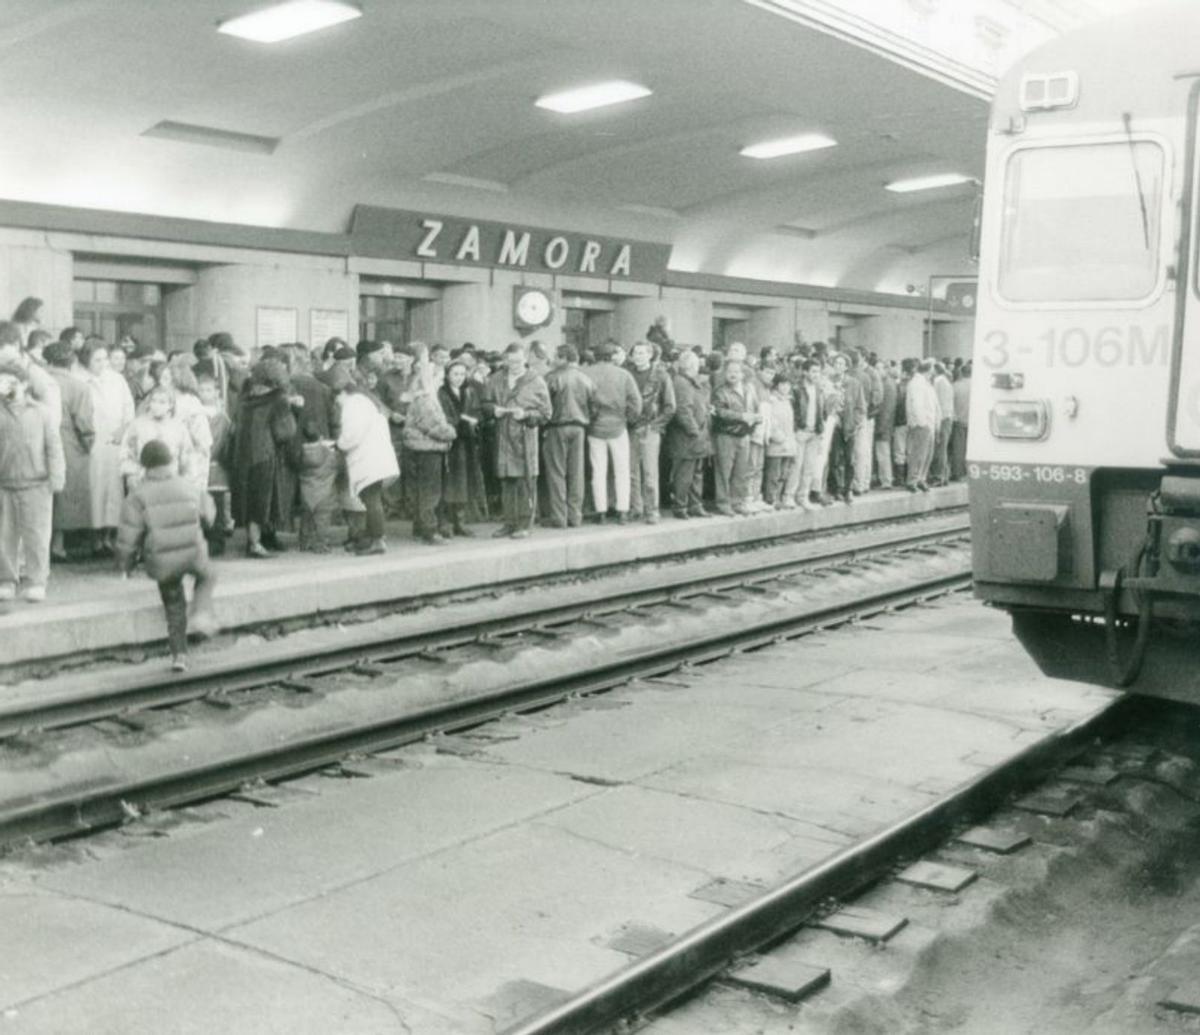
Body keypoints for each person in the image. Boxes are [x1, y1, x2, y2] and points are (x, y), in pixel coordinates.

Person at [115, 439, 217, 673]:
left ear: (144, 466)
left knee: (174, 604)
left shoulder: (137, 496)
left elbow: (128, 536)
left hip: (163, 561)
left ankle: (179, 655)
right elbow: (210, 513)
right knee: (208, 576)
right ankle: (201, 612)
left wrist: (125, 564)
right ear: (170, 461)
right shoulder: (188, 486)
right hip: (193, 552)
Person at [0, 361, 64, 602]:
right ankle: (6, 579)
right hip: (4, 484)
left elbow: (54, 447)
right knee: (4, 536)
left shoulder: (41, 412)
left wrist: (57, 476)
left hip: (36, 484)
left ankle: (36, 580)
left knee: (36, 535)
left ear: (25, 385)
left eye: (10, 382)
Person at [481, 343, 551, 539]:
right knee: (506, 481)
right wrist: (493, 410)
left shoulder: (536, 381)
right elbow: (485, 404)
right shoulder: (495, 379)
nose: (514, 365)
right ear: (505, 360)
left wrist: (527, 414)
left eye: (518, 361)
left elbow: (546, 413)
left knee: (525, 480)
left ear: (525, 359)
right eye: (510, 361)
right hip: (502, 436)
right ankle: (509, 522)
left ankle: (524, 523)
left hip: (524, 437)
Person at [229, 359, 298, 557]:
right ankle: (256, 544)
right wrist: (296, 412)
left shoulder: (243, 400)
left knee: (249, 500)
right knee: (264, 499)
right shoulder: (278, 400)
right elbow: (285, 432)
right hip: (265, 454)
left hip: (241, 456)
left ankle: (254, 541)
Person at [333, 367, 399, 555]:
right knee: (371, 498)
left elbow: (352, 434)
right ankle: (370, 537)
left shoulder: (353, 405)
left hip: (369, 459)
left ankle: (377, 540)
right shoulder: (367, 402)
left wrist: (339, 444)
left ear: (343, 393)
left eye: (336, 398)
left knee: (371, 500)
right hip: (376, 457)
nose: (336, 403)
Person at [80, 341, 134, 556]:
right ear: (87, 360)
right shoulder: (81, 380)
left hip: (114, 442)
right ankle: (95, 538)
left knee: (113, 490)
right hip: (92, 442)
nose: (102, 364)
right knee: (95, 489)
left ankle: (110, 536)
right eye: (97, 359)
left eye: (105, 359)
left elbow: (128, 407)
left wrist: (123, 430)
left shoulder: (117, 379)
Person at [43, 340, 94, 559]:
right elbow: (84, 422)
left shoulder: (38, 383)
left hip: (38, 439)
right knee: (65, 493)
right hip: (68, 441)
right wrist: (88, 444)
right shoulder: (79, 387)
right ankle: (58, 543)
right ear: (71, 362)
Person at [401, 355, 457, 545]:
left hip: (420, 449)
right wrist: (452, 432)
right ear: (429, 379)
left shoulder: (420, 398)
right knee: (430, 493)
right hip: (429, 451)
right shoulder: (426, 401)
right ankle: (430, 530)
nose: (442, 381)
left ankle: (420, 527)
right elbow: (436, 428)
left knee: (421, 491)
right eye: (439, 377)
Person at [585, 341, 642, 523]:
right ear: (612, 357)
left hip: (595, 427)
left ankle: (601, 511)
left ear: (596, 357)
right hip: (618, 426)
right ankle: (623, 511)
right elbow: (636, 402)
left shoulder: (586, 373)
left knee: (598, 471)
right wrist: (629, 419)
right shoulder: (624, 375)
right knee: (622, 470)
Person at [543, 344, 595, 529]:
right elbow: (593, 406)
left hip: (557, 427)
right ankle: (575, 516)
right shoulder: (586, 378)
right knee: (577, 473)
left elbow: (545, 405)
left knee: (557, 472)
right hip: (579, 427)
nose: (553, 360)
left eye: (556, 357)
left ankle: (559, 517)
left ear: (563, 357)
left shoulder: (552, 377)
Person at [626, 340, 675, 524]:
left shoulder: (661, 376)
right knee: (632, 471)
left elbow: (670, 406)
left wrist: (656, 425)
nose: (638, 356)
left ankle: (652, 510)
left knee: (649, 472)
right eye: (635, 353)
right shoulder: (627, 374)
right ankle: (636, 508)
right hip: (631, 428)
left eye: (642, 352)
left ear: (650, 354)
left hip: (650, 428)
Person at [437, 358, 487, 535]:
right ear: (447, 375)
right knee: (449, 481)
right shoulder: (441, 393)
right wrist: (460, 421)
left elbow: (477, 411)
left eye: (462, 374)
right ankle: (445, 522)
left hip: (467, 442)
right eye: (455, 374)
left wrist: (475, 420)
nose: (459, 378)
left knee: (465, 481)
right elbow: (442, 415)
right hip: (451, 442)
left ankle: (460, 520)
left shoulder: (469, 392)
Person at [665, 348, 711, 519]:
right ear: (691, 366)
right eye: (697, 364)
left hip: (696, 437)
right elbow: (683, 411)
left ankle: (695, 504)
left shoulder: (688, 381)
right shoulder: (682, 382)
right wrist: (695, 431)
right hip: (688, 438)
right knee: (685, 474)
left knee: (696, 473)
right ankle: (681, 506)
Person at [710, 358, 759, 516]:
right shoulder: (720, 391)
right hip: (726, 435)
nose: (733, 375)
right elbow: (720, 412)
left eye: (736, 371)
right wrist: (742, 416)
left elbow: (755, 408)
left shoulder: (749, 390)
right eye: (730, 371)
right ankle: (723, 503)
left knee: (741, 471)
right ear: (725, 373)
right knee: (724, 471)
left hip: (743, 435)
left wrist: (756, 419)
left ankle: (737, 502)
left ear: (742, 374)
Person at [197, 376, 233, 556]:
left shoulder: (221, 416)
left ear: (217, 392)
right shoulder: (196, 412)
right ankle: (205, 538)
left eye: (209, 390)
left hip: (216, 466)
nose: (205, 394)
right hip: (201, 465)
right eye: (201, 390)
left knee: (217, 504)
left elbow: (220, 441)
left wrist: (208, 455)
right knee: (202, 505)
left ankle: (217, 540)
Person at [783, 359, 825, 511]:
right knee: (796, 465)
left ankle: (803, 496)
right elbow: (792, 411)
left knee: (809, 467)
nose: (816, 375)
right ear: (805, 372)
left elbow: (821, 410)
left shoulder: (819, 389)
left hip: (814, 432)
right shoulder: (797, 389)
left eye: (818, 372)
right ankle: (789, 496)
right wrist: (795, 430)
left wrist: (820, 429)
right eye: (813, 371)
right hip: (801, 431)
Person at [829, 353, 865, 504]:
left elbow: (860, 406)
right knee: (835, 458)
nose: (839, 366)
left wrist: (855, 423)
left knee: (850, 459)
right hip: (834, 426)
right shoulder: (828, 382)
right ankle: (837, 488)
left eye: (842, 364)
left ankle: (848, 489)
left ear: (846, 367)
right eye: (836, 363)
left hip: (849, 426)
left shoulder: (854, 384)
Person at [762, 372, 797, 508]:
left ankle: (779, 497)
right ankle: (771, 498)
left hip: (787, 443)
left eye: (787, 385)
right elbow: (771, 421)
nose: (785, 387)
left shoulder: (788, 400)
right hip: (776, 444)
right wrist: (779, 437)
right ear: (776, 386)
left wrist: (790, 440)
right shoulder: (772, 400)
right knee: (773, 473)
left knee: (784, 473)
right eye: (782, 384)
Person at [905, 359, 939, 492]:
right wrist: (922, 422)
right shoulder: (917, 383)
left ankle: (921, 478)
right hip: (922, 424)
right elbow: (917, 404)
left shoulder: (926, 383)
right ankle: (913, 480)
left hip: (928, 424)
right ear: (929, 369)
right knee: (918, 453)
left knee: (927, 454)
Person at [930, 362, 955, 486]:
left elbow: (936, 403)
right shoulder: (946, 381)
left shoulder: (938, 382)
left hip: (941, 419)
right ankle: (944, 476)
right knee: (943, 449)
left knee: (939, 448)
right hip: (948, 417)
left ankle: (938, 476)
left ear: (935, 370)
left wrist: (936, 423)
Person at [874, 360, 897, 490]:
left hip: (884, 424)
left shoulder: (887, 385)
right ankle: (885, 478)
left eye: (879, 368)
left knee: (883, 453)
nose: (877, 371)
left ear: (886, 370)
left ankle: (886, 480)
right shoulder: (887, 383)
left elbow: (887, 409)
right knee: (883, 452)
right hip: (885, 424)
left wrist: (881, 426)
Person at [950, 362, 971, 481]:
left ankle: (958, 473)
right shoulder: (978, 386)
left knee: (959, 448)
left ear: (962, 373)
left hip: (958, 420)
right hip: (973, 422)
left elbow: (950, 403)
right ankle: (970, 471)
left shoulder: (955, 386)